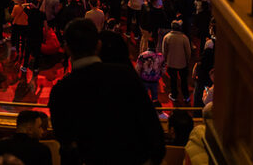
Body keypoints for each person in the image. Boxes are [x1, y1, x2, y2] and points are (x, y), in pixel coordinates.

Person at [48, 18, 166, 165]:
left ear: (66, 48)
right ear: (98, 45)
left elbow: (66, 145)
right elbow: (154, 133)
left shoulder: (60, 91)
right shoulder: (125, 75)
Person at [162, 20, 192, 103]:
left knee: (173, 80)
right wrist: (187, 61)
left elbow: (164, 51)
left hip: (171, 63)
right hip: (182, 63)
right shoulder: (184, 37)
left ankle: (174, 95)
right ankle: (186, 96)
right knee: (184, 80)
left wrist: (165, 60)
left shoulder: (167, 37)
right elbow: (188, 52)